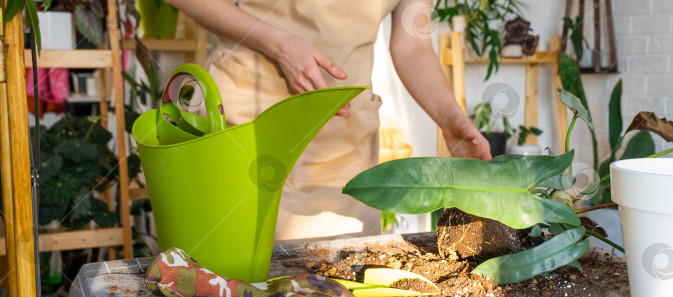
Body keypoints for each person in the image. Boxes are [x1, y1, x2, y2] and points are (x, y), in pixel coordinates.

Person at [165, 0, 491, 241]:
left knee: (339, 295)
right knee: (230, 289)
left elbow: (413, 46)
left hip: (343, 150)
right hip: (247, 124)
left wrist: (450, 118)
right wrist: (277, 44)